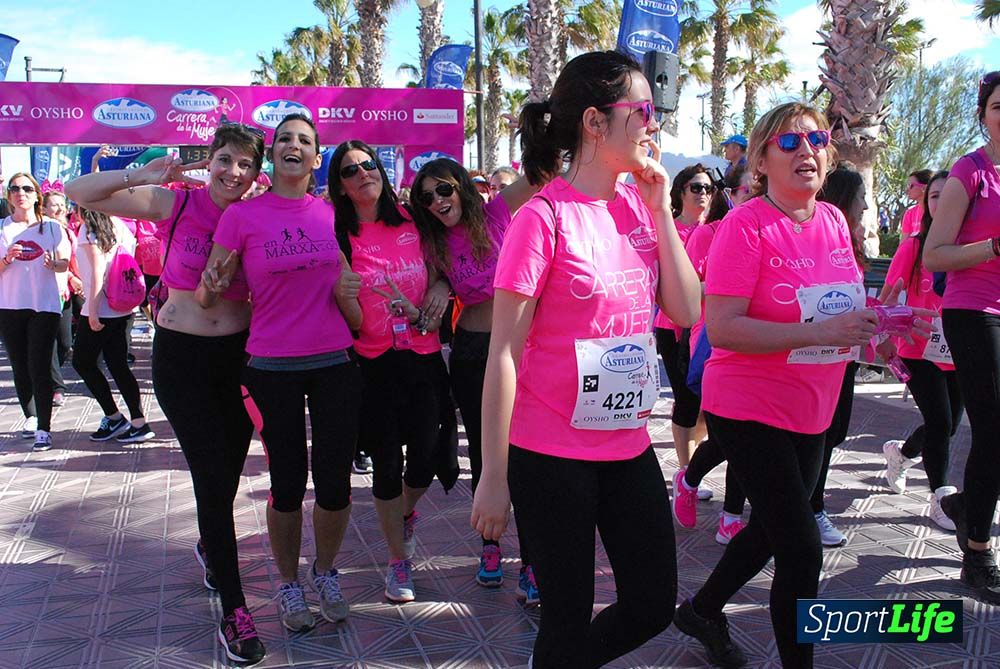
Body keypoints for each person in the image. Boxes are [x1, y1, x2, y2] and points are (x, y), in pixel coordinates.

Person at [673, 102, 929, 668]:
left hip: (813, 403)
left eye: (815, 139)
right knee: (801, 545)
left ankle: (702, 609)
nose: (806, 150)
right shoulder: (745, 224)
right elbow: (723, 327)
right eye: (789, 143)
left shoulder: (834, 221)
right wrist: (818, 329)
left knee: (769, 528)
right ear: (762, 159)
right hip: (746, 402)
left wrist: (879, 329)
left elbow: (839, 308)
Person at [471, 50, 701, 668]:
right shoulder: (541, 219)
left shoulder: (638, 208)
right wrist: (494, 476)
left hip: (626, 446)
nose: (653, 123)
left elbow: (684, 310)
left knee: (653, 602)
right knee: (565, 617)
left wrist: (661, 213)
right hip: (549, 456)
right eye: (642, 110)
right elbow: (503, 356)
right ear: (596, 123)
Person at [65, 123, 268, 664]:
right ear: (211, 160)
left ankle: (211, 545)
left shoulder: (259, 215)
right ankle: (234, 607)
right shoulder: (176, 204)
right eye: (225, 160)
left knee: (227, 472)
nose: (233, 172)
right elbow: (77, 193)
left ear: (256, 171)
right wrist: (139, 174)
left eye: (245, 164)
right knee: (208, 473)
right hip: (182, 358)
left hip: (243, 361)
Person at [200, 113, 362, 633]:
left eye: (305, 140)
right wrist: (209, 283)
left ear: (317, 158)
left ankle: (326, 571)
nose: (294, 145)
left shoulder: (333, 214)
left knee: (335, 482)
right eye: (285, 139)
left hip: (335, 360)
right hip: (271, 366)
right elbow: (210, 294)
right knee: (288, 481)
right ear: (272, 155)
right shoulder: (243, 217)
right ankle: (290, 584)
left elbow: (350, 284)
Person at [411, 157, 540, 595]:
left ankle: (532, 556)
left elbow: (544, 173)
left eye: (443, 190)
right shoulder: (434, 244)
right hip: (471, 352)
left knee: (526, 450)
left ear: (461, 186)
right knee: (487, 453)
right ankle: (489, 543)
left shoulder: (498, 212)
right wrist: (441, 285)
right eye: (426, 197)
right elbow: (428, 291)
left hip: (522, 349)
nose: (437, 202)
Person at [330, 140, 451, 604]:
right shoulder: (340, 234)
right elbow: (339, 304)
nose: (363, 173)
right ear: (340, 186)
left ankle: (403, 515)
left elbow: (447, 268)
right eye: (349, 170)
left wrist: (439, 290)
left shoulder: (413, 220)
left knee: (424, 460)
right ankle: (397, 559)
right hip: (372, 363)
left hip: (421, 356)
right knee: (385, 464)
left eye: (368, 164)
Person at [923, 71, 1000, 604]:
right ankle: (976, 552)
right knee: (993, 430)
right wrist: (994, 247)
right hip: (975, 311)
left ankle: (964, 504)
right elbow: (935, 254)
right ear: (984, 113)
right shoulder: (969, 172)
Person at [671, 165, 751, 546]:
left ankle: (731, 517)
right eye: (750, 189)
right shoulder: (708, 233)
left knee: (747, 435)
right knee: (728, 435)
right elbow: (685, 289)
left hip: (766, 348)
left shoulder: (784, 230)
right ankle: (688, 476)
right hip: (711, 341)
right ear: (731, 193)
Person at [882, 169, 965, 530]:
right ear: (926, 203)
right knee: (941, 421)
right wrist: (884, 341)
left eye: (949, 195)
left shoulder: (972, 248)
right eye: (934, 196)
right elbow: (886, 298)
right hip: (917, 350)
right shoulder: (913, 246)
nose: (941, 201)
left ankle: (901, 453)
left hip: (961, 349)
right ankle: (941, 498)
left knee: (946, 426)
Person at [809, 162, 871, 548]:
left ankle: (806, 505)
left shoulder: (852, 242)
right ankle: (811, 509)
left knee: (834, 433)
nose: (865, 206)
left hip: (843, 357)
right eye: (862, 198)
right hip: (809, 359)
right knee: (818, 435)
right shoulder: (817, 241)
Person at [0, 173, 71, 451]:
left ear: (37, 195)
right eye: (15, 188)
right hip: (9, 304)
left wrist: (55, 265)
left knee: (39, 365)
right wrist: (7, 258)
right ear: (9, 196)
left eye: (27, 188)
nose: (21, 193)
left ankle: (44, 428)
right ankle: (30, 416)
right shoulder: (3, 228)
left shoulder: (52, 228)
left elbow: (65, 262)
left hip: (45, 304)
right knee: (20, 365)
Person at [71, 207, 152, 443]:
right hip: (124, 305)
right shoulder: (119, 223)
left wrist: (93, 312)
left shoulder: (89, 228)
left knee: (82, 362)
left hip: (101, 307)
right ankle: (137, 421)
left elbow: (97, 272)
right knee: (118, 365)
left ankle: (114, 416)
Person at [654, 164, 713, 478]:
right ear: (680, 191)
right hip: (673, 325)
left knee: (707, 404)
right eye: (696, 187)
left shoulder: (717, 229)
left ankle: (692, 464)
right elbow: (666, 283)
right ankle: (686, 471)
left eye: (707, 188)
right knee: (687, 399)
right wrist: (711, 288)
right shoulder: (669, 230)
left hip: (709, 328)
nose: (703, 193)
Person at [41, 189, 77, 407]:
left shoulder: (68, 228)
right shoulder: (42, 230)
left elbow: (71, 260)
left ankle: (46, 373)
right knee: (51, 342)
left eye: (61, 203)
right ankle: (56, 387)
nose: (60, 207)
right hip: (47, 292)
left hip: (65, 292)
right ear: (44, 209)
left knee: (65, 342)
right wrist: (72, 278)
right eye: (53, 204)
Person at [899, 169, 932, 237]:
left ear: (924, 187)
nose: (906, 190)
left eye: (910, 185)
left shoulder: (936, 211)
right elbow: (903, 244)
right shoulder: (909, 214)